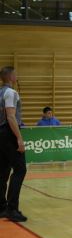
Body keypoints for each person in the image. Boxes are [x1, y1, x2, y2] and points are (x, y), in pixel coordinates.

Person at [0, 66, 28, 222]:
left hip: (0, 134)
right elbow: (11, 116)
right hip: (8, 133)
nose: (17, 77)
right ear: (11, 77)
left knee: (2, 171)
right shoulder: (10, 93)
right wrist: (19, 138)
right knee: (20, 169)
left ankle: (1, 207)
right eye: (15, 74)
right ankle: (12, 209)